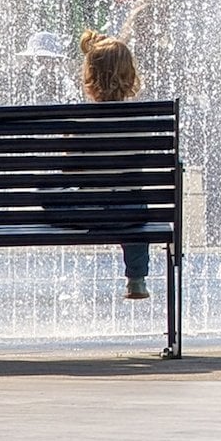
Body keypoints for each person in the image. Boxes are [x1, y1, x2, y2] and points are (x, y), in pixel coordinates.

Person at [79, 29, 153, 300]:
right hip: (126, 212)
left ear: (88, 77)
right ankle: (137, 278)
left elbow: (69, 171)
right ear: (131, 76)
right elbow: (139, 171)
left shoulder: (78, 123)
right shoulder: (142, 123)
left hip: (87, 211)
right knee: (138, 211)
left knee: (52, 193)